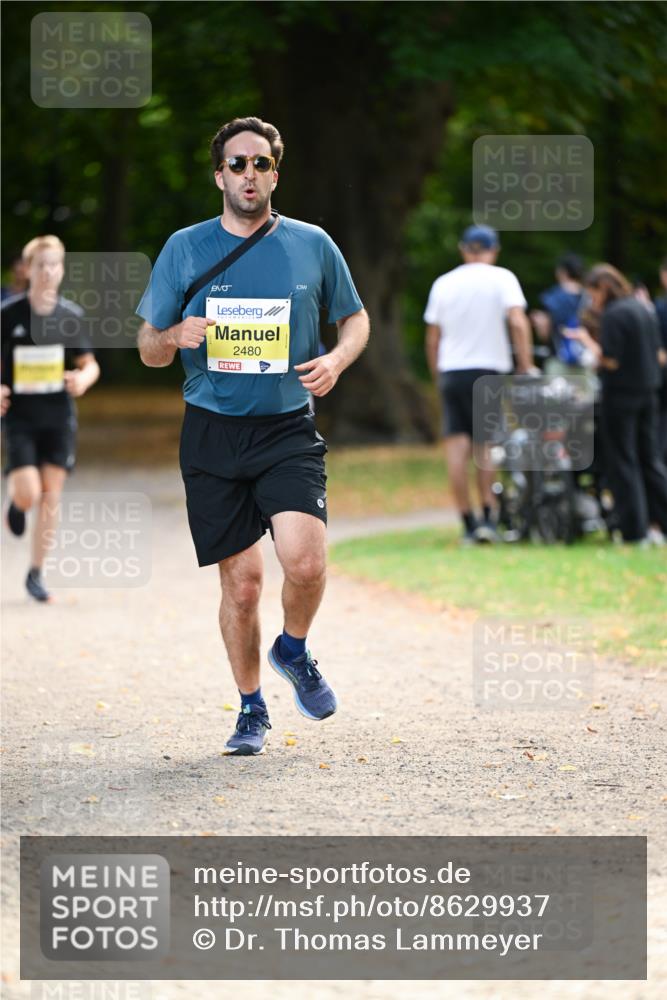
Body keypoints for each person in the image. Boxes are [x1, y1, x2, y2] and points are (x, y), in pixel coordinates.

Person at [136, 116, 369, 756]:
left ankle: (292, 648)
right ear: (219, 175)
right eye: (236, 164)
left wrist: (337, 360)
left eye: (260, 163)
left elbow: (354, 318)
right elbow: (147, 347)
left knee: (307, 561)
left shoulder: (312, 244)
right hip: (212, 434)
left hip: (287, 427)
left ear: (275, 172)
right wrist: (174, 337)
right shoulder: (185, 248)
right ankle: (250, 708)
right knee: (241, 586)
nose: (249, 174)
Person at [1, 235, 100, 601]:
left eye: (53, 264)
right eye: (40, 264)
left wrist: (82, 380)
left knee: (51, 495)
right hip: (20, 419)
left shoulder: (70, 316)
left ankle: (36, 573)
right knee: (28, 491)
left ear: (61, 270)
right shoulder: (8, 314)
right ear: (27, 269)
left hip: (58, 418)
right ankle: (17, 503)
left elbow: (89, 364)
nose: (46, 271)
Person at [424, 224, 535, 544]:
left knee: (456, 448)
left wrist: (437, 375)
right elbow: (517, 320)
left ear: (463, 249)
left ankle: (468, 523)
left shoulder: (444, 283)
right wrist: (525, 364)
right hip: (489, 371)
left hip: (452, 372)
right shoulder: (502, 278)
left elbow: (433, 339)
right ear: (494, 250)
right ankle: (488, 516)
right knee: (486, 446)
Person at [567, 264, 667, 543]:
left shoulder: (613, 315)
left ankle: (634, 530)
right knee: (651, 460)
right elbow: (659, 355)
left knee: (623, 461)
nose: (592, 300)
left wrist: (587, 341)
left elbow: (610, 359)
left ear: (602, 288)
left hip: (621, 394)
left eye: (593, 293)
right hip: (650, 392)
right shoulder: (642, 309)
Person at [530, 252, 587, 369]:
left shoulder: (554, 296)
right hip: (585, 361)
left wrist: (539, 322)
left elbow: (544, 333)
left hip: (558, 361)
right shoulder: (591, 297)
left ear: (562, 272)